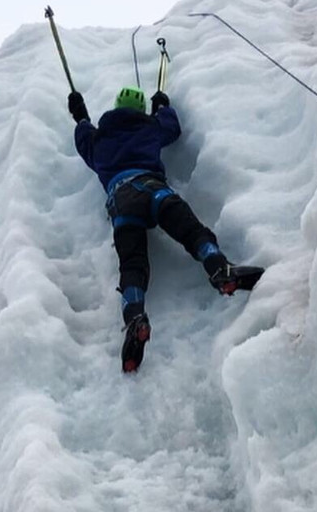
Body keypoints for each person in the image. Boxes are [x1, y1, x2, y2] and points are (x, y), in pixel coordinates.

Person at [67, 86, 241, 373]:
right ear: (139, 110)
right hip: (154, 190)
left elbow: (83, 138)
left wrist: (81, 115)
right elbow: (171, 128)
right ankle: (218, 266)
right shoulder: (149, 127)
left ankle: (134, 316)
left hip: (122, 201)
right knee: (190, 230)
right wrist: (161, 106)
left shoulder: (99, 139)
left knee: (132, 264)